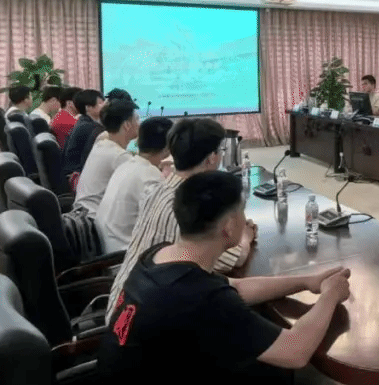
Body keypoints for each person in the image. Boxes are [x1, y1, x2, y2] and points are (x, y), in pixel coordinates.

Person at [92, 170, 350, 385]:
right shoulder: (198, 297)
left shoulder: (159, 256)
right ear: (229, 227)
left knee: (266, 370)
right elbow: (296, 351)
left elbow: (235, 287)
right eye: (242, 212)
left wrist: (307, 281)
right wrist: (330, 296)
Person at [107, 118, 255, 313]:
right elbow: (233, 259)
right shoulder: (188, 206)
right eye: (221, 151)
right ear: (212, 158)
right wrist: (245, 237)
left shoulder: (159, 189)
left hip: (124, 300)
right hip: (139, 316)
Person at [97, 117, 174, 253]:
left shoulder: (127, 165)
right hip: (123, 254)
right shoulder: (150, 178)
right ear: (168, 147)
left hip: (108, 246)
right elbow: (162, 229)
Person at [71, 99, 140, 220]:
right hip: (95, 220)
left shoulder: (101, 144)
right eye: (137, 119)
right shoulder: (119, 156)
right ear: (127, 125)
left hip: (82, 214)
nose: (140, 123)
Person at [61, 89, 106, 177]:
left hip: (73, 172)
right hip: (77, 175)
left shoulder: (82, 122)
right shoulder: (91, 128)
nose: (105, 106)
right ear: (88, 107)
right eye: (100, 103)